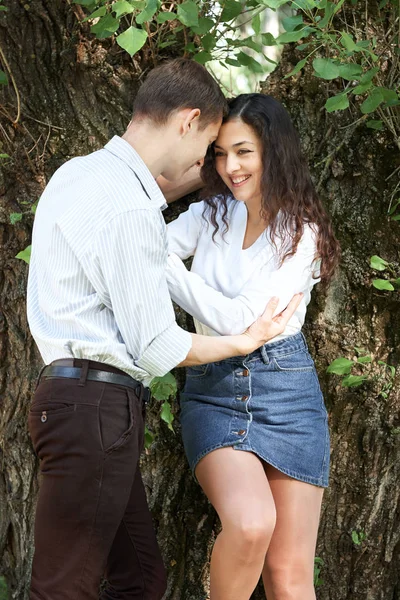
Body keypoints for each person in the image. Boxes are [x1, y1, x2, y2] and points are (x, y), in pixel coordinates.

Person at [26, 62, 301, 600]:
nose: (207, 165)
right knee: (62, 588)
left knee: (141, 579)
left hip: (70, 399)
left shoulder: (76, 174)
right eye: (206, 148)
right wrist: (243, 342)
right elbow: (157, 347)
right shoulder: (131, 210)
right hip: (94, 407)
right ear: (189, 120)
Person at [163, 93, 340, 600]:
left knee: (288, 575)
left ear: (273, 152)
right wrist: (168, 264)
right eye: (220, 153)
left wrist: (171, 273)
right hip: (214, 386)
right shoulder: (212, 212)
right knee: (251, 523)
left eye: (243, 151)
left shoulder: (302, 233)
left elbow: (245, 320)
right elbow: (147, 243)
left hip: (287, 391)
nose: (230, 166)